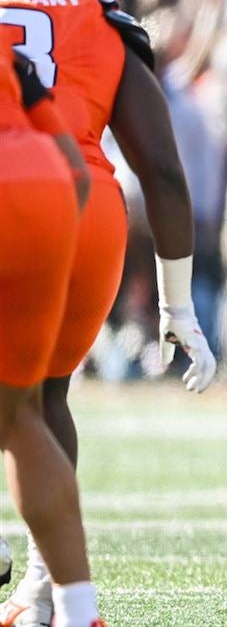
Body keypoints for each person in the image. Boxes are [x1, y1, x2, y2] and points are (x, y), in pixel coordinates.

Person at [0, 0, 216, 624]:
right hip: (82, 203)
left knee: (15, 410)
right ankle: (49, 590)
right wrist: (178, 303)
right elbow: (163, 170)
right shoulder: (98, 21)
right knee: (40, 403)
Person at [0, 39, 99, 627]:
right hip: (51, 190)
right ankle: (78, 610)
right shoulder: (8, 50)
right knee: (21, 417)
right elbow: (75, 170)